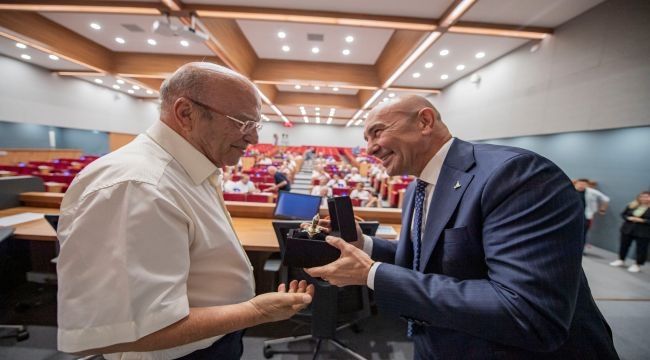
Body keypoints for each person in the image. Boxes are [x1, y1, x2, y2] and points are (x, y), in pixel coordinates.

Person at [305, 95, 618, 359]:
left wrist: (372, 274)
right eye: (366, 139)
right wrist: (366, 247)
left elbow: (527, 312)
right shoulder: (417, 189)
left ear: (425, 121)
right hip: (443, 344)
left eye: (377, 132)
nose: (369, 148)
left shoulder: (515, 175)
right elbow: (427, 261)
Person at [56, 62, 314, 359]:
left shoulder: (189, 167)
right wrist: (255, 311)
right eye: (242, 122)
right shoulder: (138, 186)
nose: (254, 139)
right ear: (185, 113)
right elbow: (131, 330)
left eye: (255, 125)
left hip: (212, 341)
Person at [609, 191, 650, 273]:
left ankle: (637, 264)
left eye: (647, 197)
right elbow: (623, 214)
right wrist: (629, 218)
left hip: (643, 232)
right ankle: (621, 260)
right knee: (624, 245)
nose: (644, 198)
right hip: (628, 229)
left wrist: (642, 220)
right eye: (642, 196)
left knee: (641, 249)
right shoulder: (632, 205)